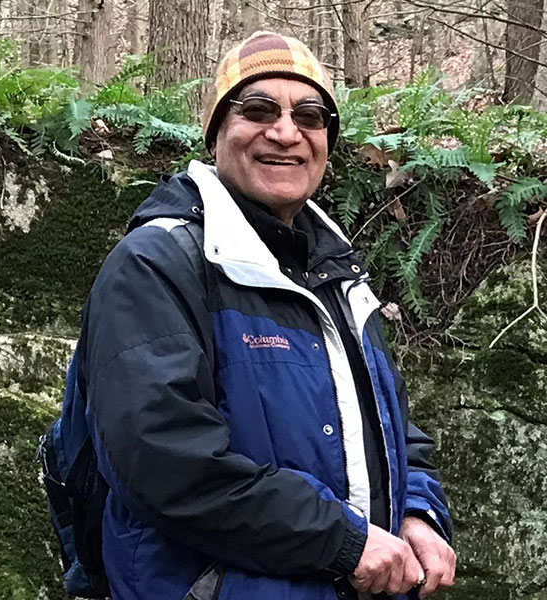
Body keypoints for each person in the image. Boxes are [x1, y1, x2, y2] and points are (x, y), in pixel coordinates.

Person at [77, 30, 456, 600]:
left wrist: (417, 512)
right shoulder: (157, 265)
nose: (286, 132)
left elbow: (390, 427)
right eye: (257, 109)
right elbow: (163, 461)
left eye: (310, 114)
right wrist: (343, 542)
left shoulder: (338, 276)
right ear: (216, 134)